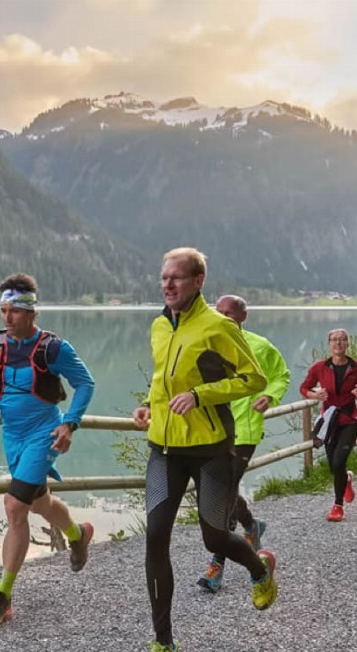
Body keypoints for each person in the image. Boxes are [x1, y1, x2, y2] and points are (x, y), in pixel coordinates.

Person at [131, 248, 277, 652]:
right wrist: (148, 405)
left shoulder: (219, 327)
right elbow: (165, 379)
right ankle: (163, 640)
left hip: (211, 449)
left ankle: (258, 567)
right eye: (164, 278)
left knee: (214, 539)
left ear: (198, 282)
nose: (168, 285)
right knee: (155, 538)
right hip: (164, 448)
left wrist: (201, 396)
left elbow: (254, 379)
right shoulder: (160, 326)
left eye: (176, 277)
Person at [0, 273, 96, 626]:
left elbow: (85, 384)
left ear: (32, 313)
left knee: (14, 507)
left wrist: (69, 423)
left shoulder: (54, 348)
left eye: (14, 311)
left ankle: (3, 597)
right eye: (2, 310)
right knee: (39, 503)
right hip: (12, 436)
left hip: (44, 433)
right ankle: (78, 534)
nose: (6, 318)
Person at [196, 294, 291, 594]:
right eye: (219, 311)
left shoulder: (260, 346)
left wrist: (270, 396)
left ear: (243, 317)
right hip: (211, 430)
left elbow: (281, 375)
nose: (223, 317)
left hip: (244, 431)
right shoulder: (206, 343)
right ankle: (251, 525)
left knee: (221, 496)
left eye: (230, 313)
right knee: (223, 489)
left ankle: (216, 566)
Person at [298, 328, 357, 522]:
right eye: (334, 340)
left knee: (338, 462)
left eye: (342, 340)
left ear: (347, 343)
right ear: (329, 344)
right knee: (335, 467)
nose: (338, 343)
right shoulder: (320, 367)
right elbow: (304, 388)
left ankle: (337, 506)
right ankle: (347, 480)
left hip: (350, 420)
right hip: (329, 422)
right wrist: (314, 395)